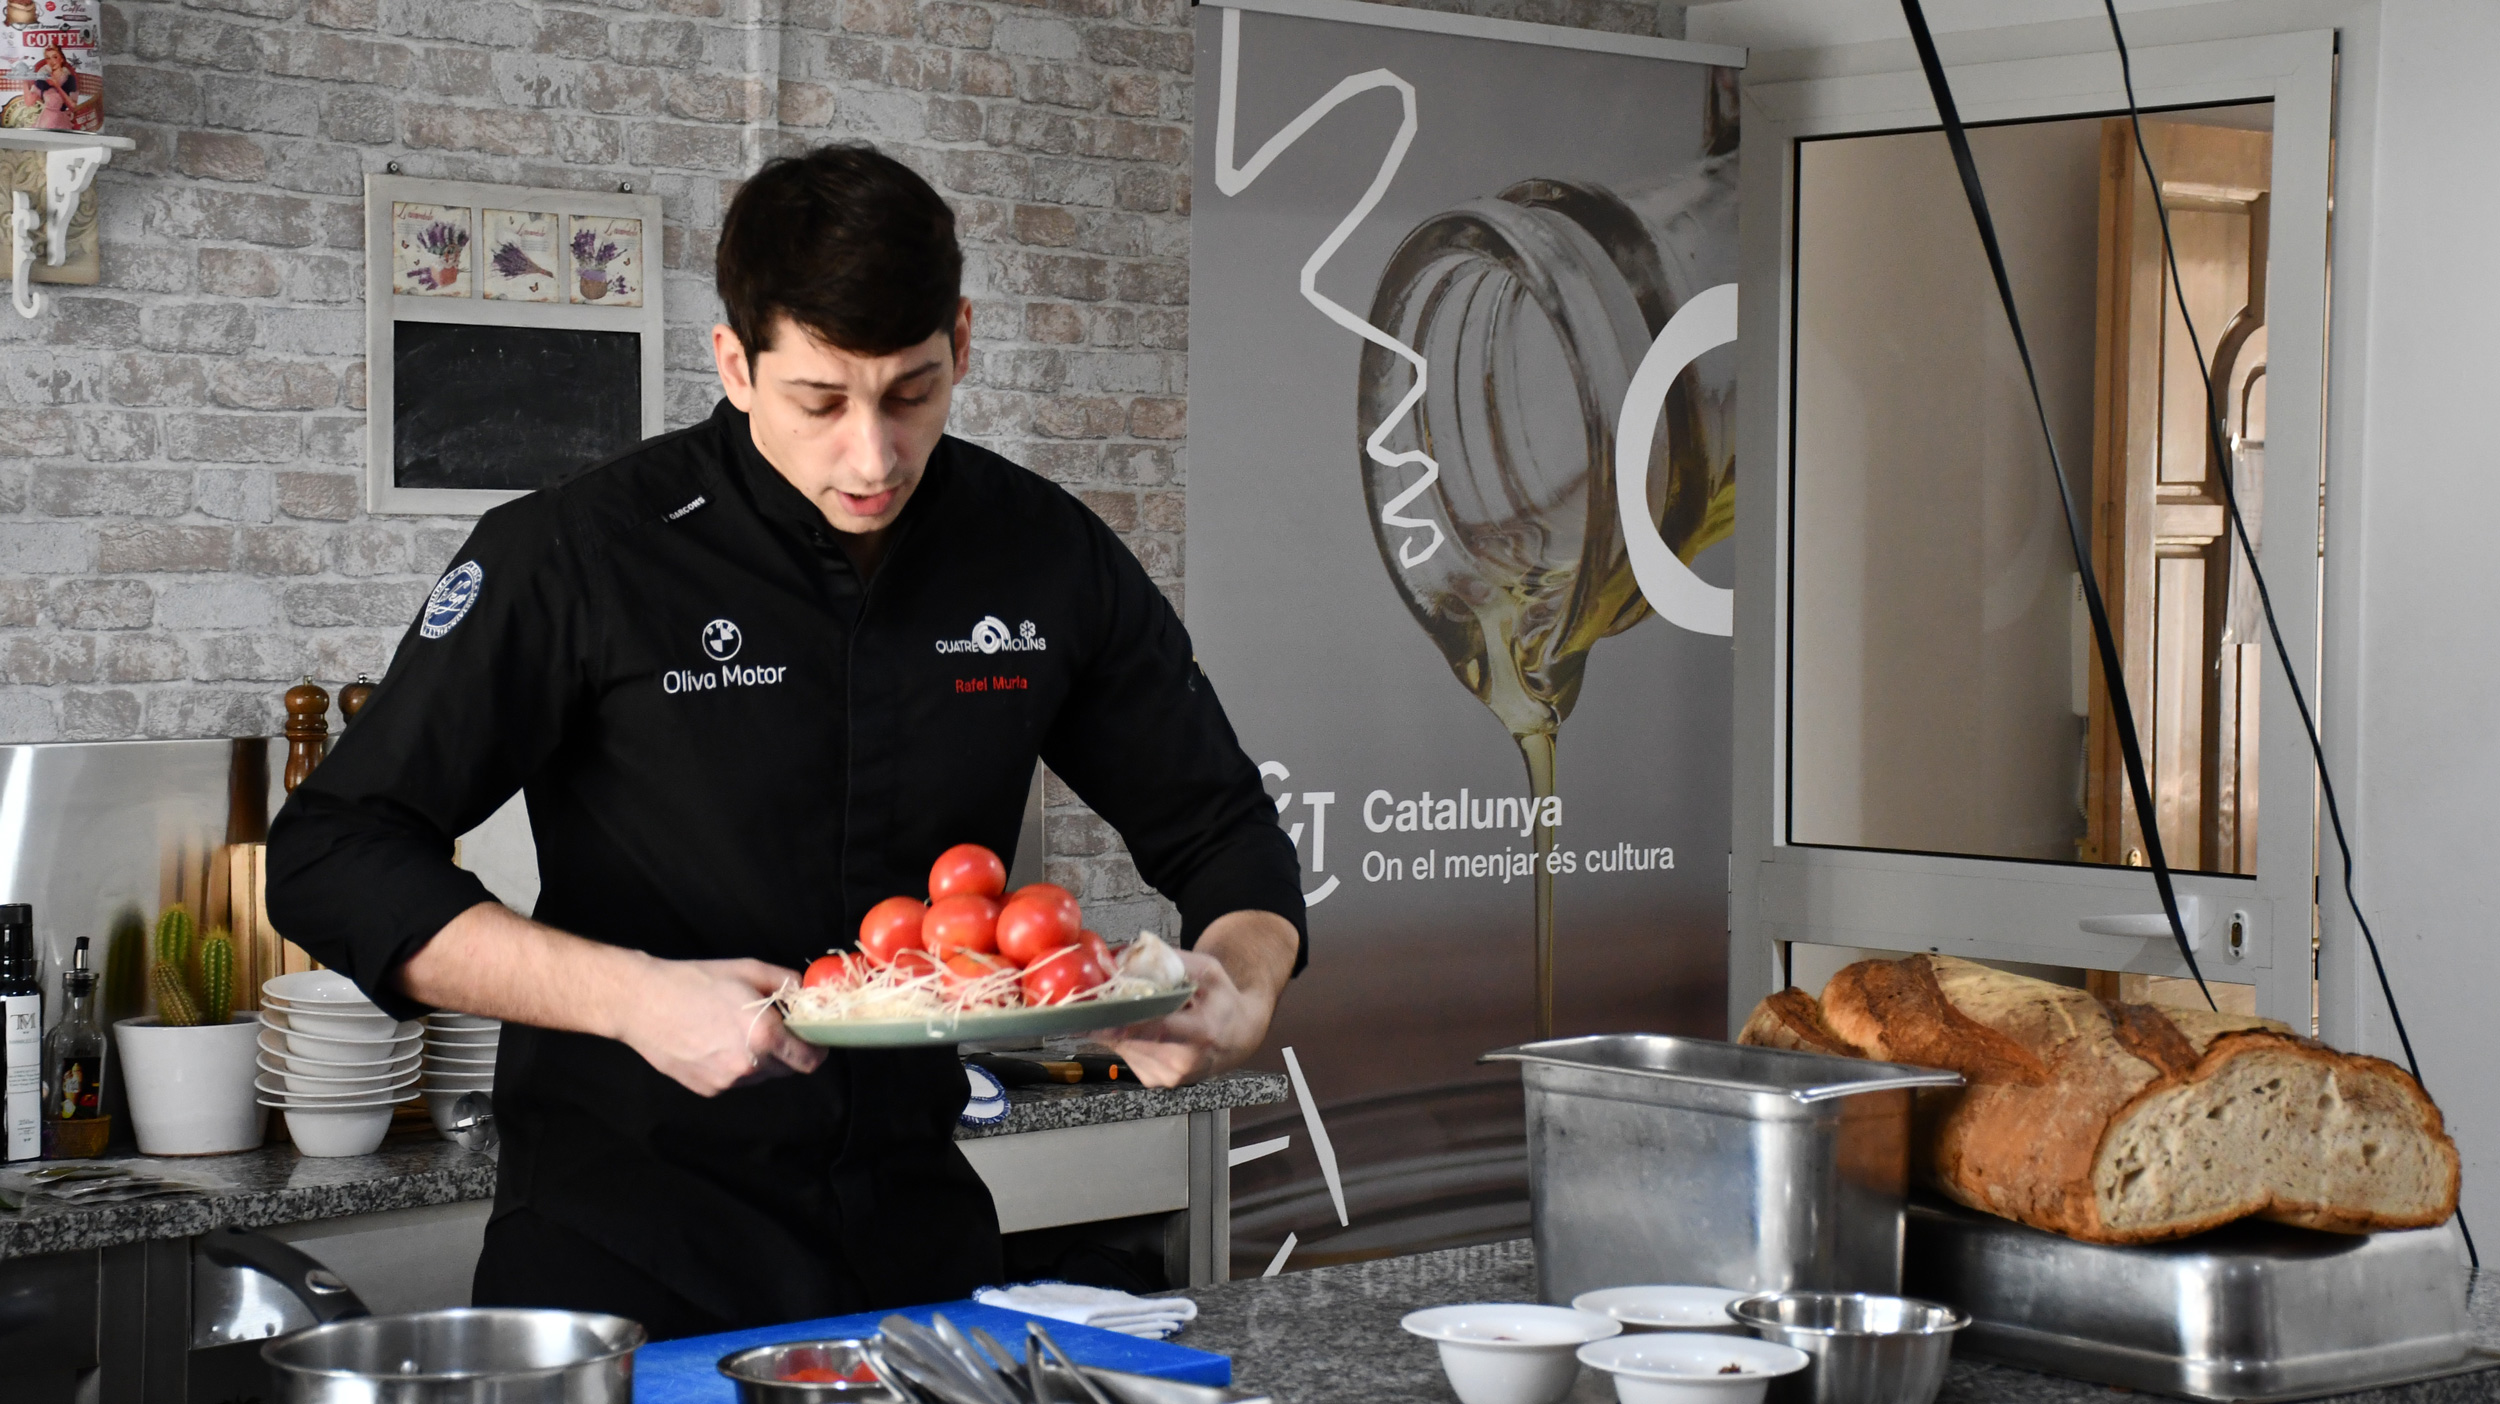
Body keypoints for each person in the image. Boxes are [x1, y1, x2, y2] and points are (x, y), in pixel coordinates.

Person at [266, 144, 1306, 1340]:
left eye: (912, 393)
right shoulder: (578, 553)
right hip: (627, 1252)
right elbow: (330, 854)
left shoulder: (1042, 554)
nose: (872, 456)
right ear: (736, 365)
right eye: (822, 400)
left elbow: (1224, 832)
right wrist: (633, 997)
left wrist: (1239, 984)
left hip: (919, 1244)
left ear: (960, 342)